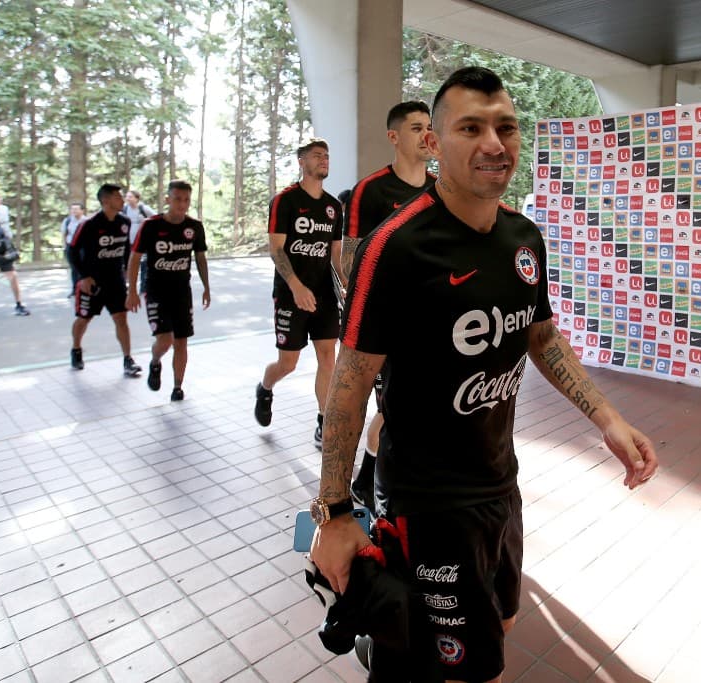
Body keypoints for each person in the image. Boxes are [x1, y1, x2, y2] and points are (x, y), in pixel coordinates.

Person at [309, 67, 659, 682]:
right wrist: (335, 513)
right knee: (470, 674)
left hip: (500, 486)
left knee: (501, 625)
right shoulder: (395, 247)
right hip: (427, 502)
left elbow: (541, 336)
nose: (494, 143)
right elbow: (350, 384)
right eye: (471, 128)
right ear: (434, 145)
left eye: (506, 127)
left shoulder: (524, 238)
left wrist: (608, 418)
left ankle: (393, 641)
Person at [343, 100, 435, 510]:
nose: (426, 134)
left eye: (429, 126)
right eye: (416, 128)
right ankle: (366, 484)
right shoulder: (371, 190)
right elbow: (349, 260)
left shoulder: (440, 189)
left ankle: (370, 480)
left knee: (410, 409)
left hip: (431, 327)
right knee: (390, 410)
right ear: (394, 136)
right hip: (384, 328)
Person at [254, 138, 346, 449]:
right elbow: (276, 249)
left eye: (327, 156)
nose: (324, 160)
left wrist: (347, 281)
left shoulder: (333, 207)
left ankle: (324, 420)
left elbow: (336, 253)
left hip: (323, 297)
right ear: (301, 162)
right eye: (317, 156)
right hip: (290, 294)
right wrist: (296, 286)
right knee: (289, 363)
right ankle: (265, 387)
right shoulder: (286, 201)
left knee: (327, 358)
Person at [126, 180, 211, 401]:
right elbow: (134, 259)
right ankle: (155, 362)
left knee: (181, 341)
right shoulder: (151, 225)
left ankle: (177, 387)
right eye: (177, 199)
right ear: (167, 200)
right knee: (165, 341)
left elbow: (200, 258)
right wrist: (132, 291)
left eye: (186, 200)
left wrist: (206, 287)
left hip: (182, 291)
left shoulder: (194, 227)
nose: (182, 204)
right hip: (155, 290)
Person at [67, 183, 142, 378]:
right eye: (118, 197)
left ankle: (128, 359)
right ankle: (76, 349)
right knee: (84, 319)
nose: (122, 200)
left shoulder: (124, 222)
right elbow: (71, 251)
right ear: (105, 200)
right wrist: (83, 276)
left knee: (121, 319)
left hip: (115, 282)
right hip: (92, 283)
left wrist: (127, 269)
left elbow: (126, 248)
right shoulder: (90, 224)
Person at [122, 189, 156, 293]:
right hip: (128, 242)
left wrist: (146, 222)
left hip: (143, 242)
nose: (128, 199)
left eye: (130, 197)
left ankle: (143, 288)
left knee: (144, 265)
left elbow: (156, 218)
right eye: (127, 197)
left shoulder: (143, 209)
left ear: (136, 198)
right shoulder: (125, 209)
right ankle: (125, 286)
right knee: (126, 264)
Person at [61, 202, 86, 296]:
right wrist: (64, 246)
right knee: (74, 268)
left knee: (83, 268)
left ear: (82, 210)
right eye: (72, 209)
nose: (74, 211)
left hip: (83, 248)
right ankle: (75, 289)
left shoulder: (87, 221)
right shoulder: (67, 221)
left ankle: (84, 288)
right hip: (71, 247)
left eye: (76, 209)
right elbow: (64, 234)